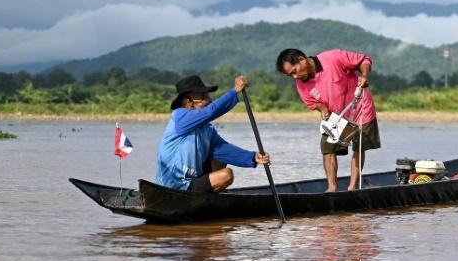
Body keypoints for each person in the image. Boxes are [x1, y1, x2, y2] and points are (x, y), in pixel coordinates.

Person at [276, 48, 381, 191]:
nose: (294, 77)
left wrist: (364, 75)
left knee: (359, 147)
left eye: (294, 71)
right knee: (327, 148)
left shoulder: (332, 58)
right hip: (336, 117)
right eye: (290, 75)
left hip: (360, 108)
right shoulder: (301, 83)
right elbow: (312, 102)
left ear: (302, 59)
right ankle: (332, 188)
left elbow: (364, 60)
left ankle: (353, 187)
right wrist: (322, 108)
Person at [155, 74, 270, 192]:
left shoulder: (207, 129)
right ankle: (205, 197)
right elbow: (210, 112)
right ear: (188, 101)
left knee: (221, 160)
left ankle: (206, 198)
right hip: (172, 186)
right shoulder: (179, 117)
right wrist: (234, 91)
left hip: (191, 181)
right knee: (226, 174)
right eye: (203, 95)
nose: (209, 99)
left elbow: (223, 150)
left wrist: (253, 157)